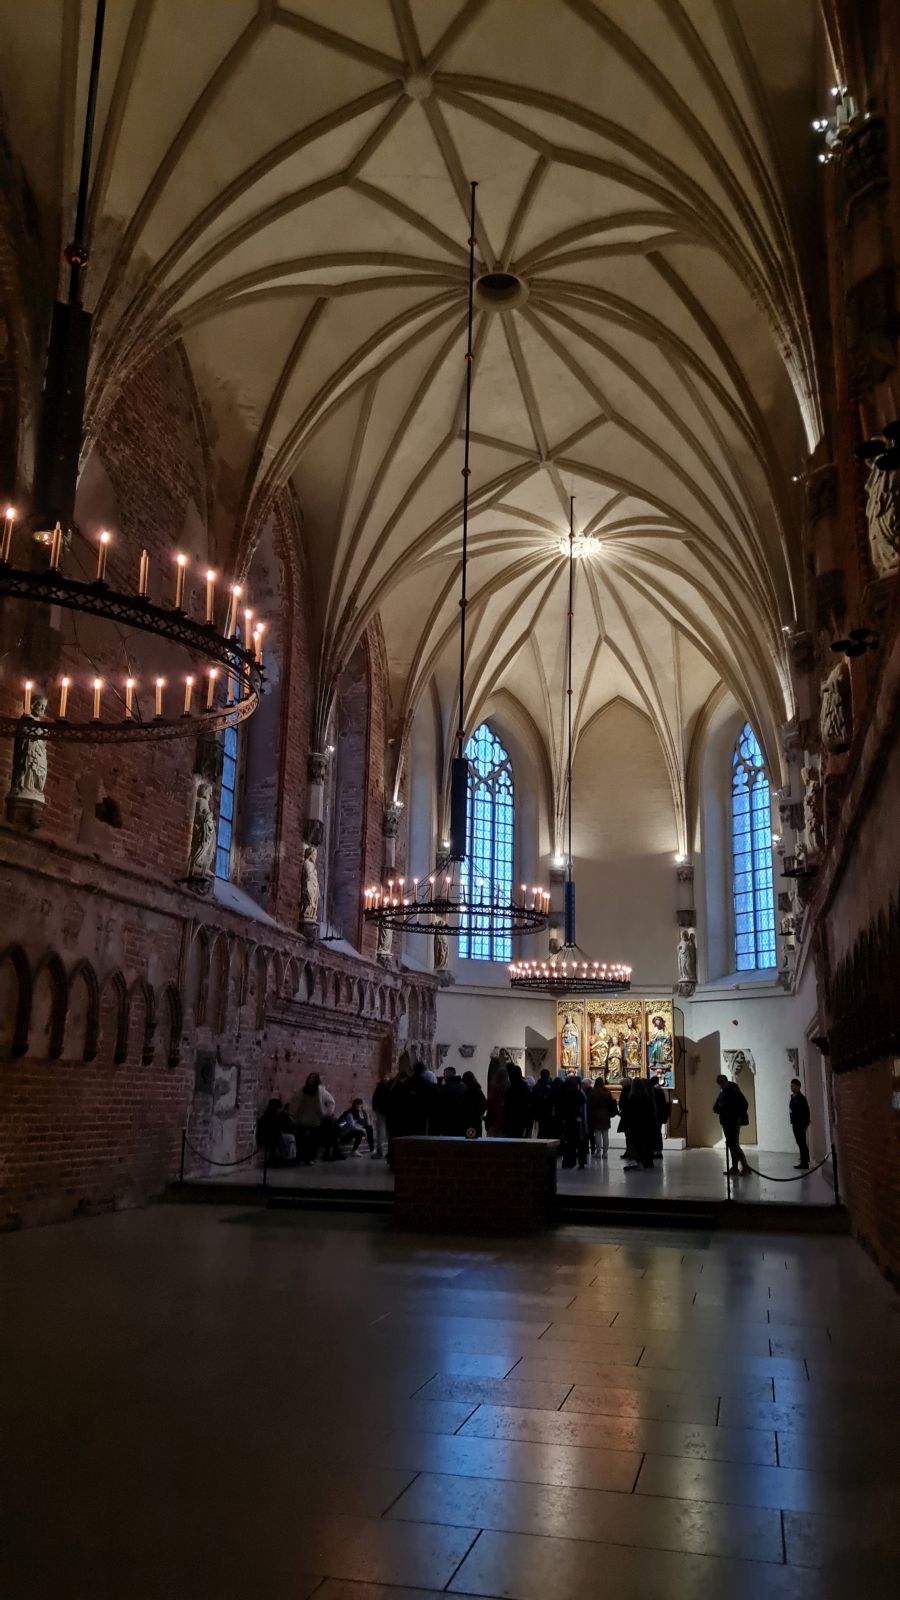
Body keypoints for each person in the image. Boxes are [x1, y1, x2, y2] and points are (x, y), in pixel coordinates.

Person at [292, 1072, 343, 1163]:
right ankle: (302, 1157)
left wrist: (326, 1113)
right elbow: (295, 1101)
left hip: (316, 1119)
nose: (311, 1081)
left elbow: (331, 1102)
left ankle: (310, 1158)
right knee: (302, 1140)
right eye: (310, 1078)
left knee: (314, 1141)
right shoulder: (302, 1090)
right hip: (303, 1118)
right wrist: (294, 1113)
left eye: (313, 1079)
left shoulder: (320, 1091)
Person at [714, 1073, 750, 1176]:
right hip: (725, 1122)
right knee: (731, 1145)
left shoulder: (734, 1091)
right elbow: (715, 1107)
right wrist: (722, 1108)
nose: (721, 1086)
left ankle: (745, 1167)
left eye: (721, 1084)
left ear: (725, 1082)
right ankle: (735, 1167)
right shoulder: (722, 1093)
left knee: (734, 1145)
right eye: (719, 1085)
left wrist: (729, 1110)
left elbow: (744, 1104)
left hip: (733, 1122)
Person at [623, 1078, 657, 1170]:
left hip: (634, 1125)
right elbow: (651, 1113)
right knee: (646, 1143)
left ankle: (637, 1161)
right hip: (646, 1125)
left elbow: (627, 1114)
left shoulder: (631, 1099)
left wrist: (627, 1125)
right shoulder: (648, 1098)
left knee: (636, 1144)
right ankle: (648, 1162)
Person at [558, 1069, 589, 1169]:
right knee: (580, 1142)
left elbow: (560, 1106)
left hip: (567, 1120)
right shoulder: (579, 1093)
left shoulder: (563, 1093)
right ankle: (581, 1161)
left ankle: (568, 1161)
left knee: (569, 1142)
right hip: (578, 1120)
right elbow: (583, 1104)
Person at [255, 1097, 296, 1164]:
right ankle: (289, 1158)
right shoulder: (275, 1117)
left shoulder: (265, 1116)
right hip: (272, 1139)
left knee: (287, 1138)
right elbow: (281, 1128)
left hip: (265, 1138)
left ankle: (284, 1157)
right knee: (291, 1138)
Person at [587, 1073, 616, 1158]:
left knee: (597, 1133)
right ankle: (605, 1152)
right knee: (605, 1134)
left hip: (595, 1115)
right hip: (605, 1114)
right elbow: (611, 1102)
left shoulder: (593, 1091)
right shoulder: (607, 1091)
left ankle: (598, 1151)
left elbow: (589, 1104)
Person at [503, 1061, 533, 1138]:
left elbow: (507, 1104)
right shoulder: (524, 1086)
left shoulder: (511, 1088)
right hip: (521, 1117)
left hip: (513, 1117)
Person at [438, 1065, 470, 1136]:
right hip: (462, 1122)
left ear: (448, 1074)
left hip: (448, 1122)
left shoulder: (445, 1088)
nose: (443, 1076)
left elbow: (440, 1106)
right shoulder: (464, 1086)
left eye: (444, 1074)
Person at [789, 1077, 811, 1169]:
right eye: (791, 1086)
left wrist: (805, 1123)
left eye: (793, 1086)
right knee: (799, 1142)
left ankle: (804, 1162)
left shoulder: (801, 1098)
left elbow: (806, 1111)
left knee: (802, 1142)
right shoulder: (793, 1097)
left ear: (798, 1087)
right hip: (795, 1123)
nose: (791, 1087)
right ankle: (804, 1160)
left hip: (800, 1124)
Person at [371, 1072, 393, 1157]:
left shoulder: (381, 1087)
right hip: (383, 1112)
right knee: (382, 1132)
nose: (385, 1079)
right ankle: (381, 1151)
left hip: (384, 1111)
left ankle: (382, 1152)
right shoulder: (386, 1087)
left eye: (387, 1077)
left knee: (383, 1132)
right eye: (385, 1077)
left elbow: (375, 1099)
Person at [532, 1067, 557, 1140]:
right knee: (545, 1132)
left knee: (542, 1131)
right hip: (547, 1112)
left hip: (542, 1112)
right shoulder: (551, 1086)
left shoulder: (537, 1086)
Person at [461, 1070, 487, 1136]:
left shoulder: (467, 1091)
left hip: (469, 1120)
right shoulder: (477, 1089)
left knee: (469, 1137)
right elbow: (484, 1103)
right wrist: (479, 1113)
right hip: (476, 1120)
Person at [486, 1061, 508, 1136]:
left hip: (493, 1121)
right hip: (503, 1122)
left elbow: (489, 1103)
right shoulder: (507, 1090)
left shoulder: (494, 1090)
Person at [650, 1075, 670, 1160]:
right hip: (661, 1115)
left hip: (656, 1115)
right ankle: (659, 1151)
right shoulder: (660, 1089)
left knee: (655, 1133)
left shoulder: (654, 1090)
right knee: (658, 1132)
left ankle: (655, 1150)